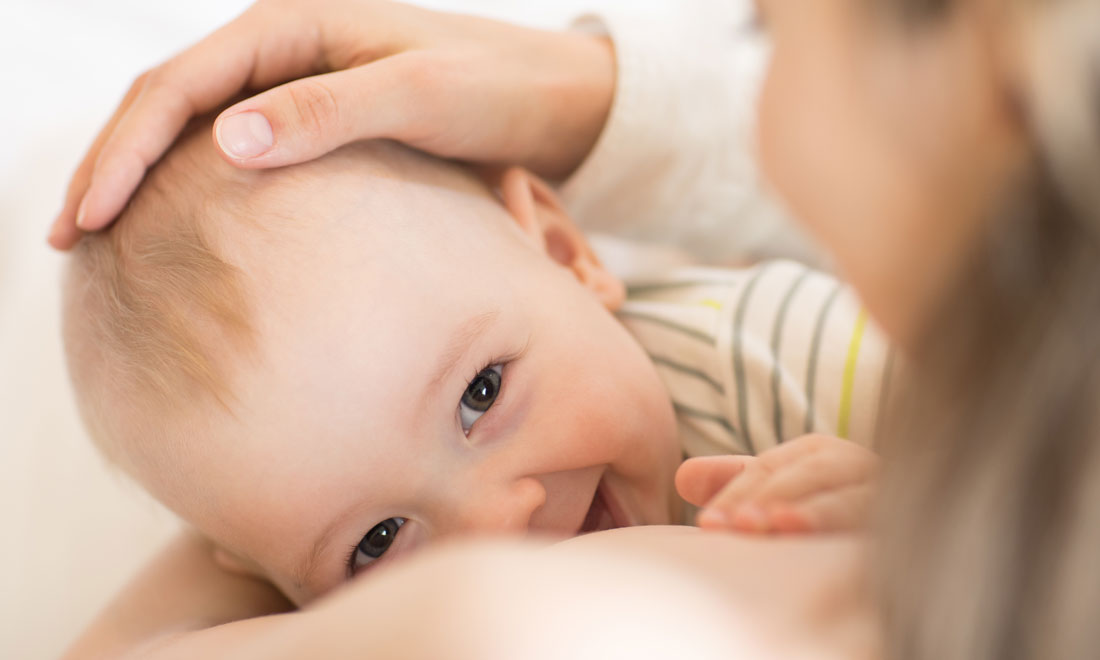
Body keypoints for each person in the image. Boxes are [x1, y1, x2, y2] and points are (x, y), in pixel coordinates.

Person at [53, 0, 1100, 657]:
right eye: (376, 540)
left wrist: (893, 506)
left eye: (480, 396)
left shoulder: (782, 354)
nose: (496, 522)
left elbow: (982, 463)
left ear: (566, 253)